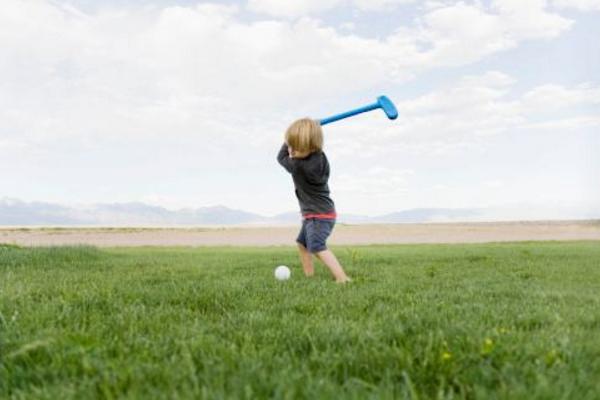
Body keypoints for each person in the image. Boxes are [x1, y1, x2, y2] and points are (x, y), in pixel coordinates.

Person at [277, 118, 351, 283]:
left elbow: (280, 157)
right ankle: (309, 277)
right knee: (302, 244)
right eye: (291, 145)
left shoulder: (299, 166)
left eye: (297, 146)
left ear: (311, 146)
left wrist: (287, 140)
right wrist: (305, 132)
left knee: (316, 246)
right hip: (317, 214)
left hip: (319, 216)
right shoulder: (320, 158)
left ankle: (342, 278)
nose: (292, 151)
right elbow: (307, 148)